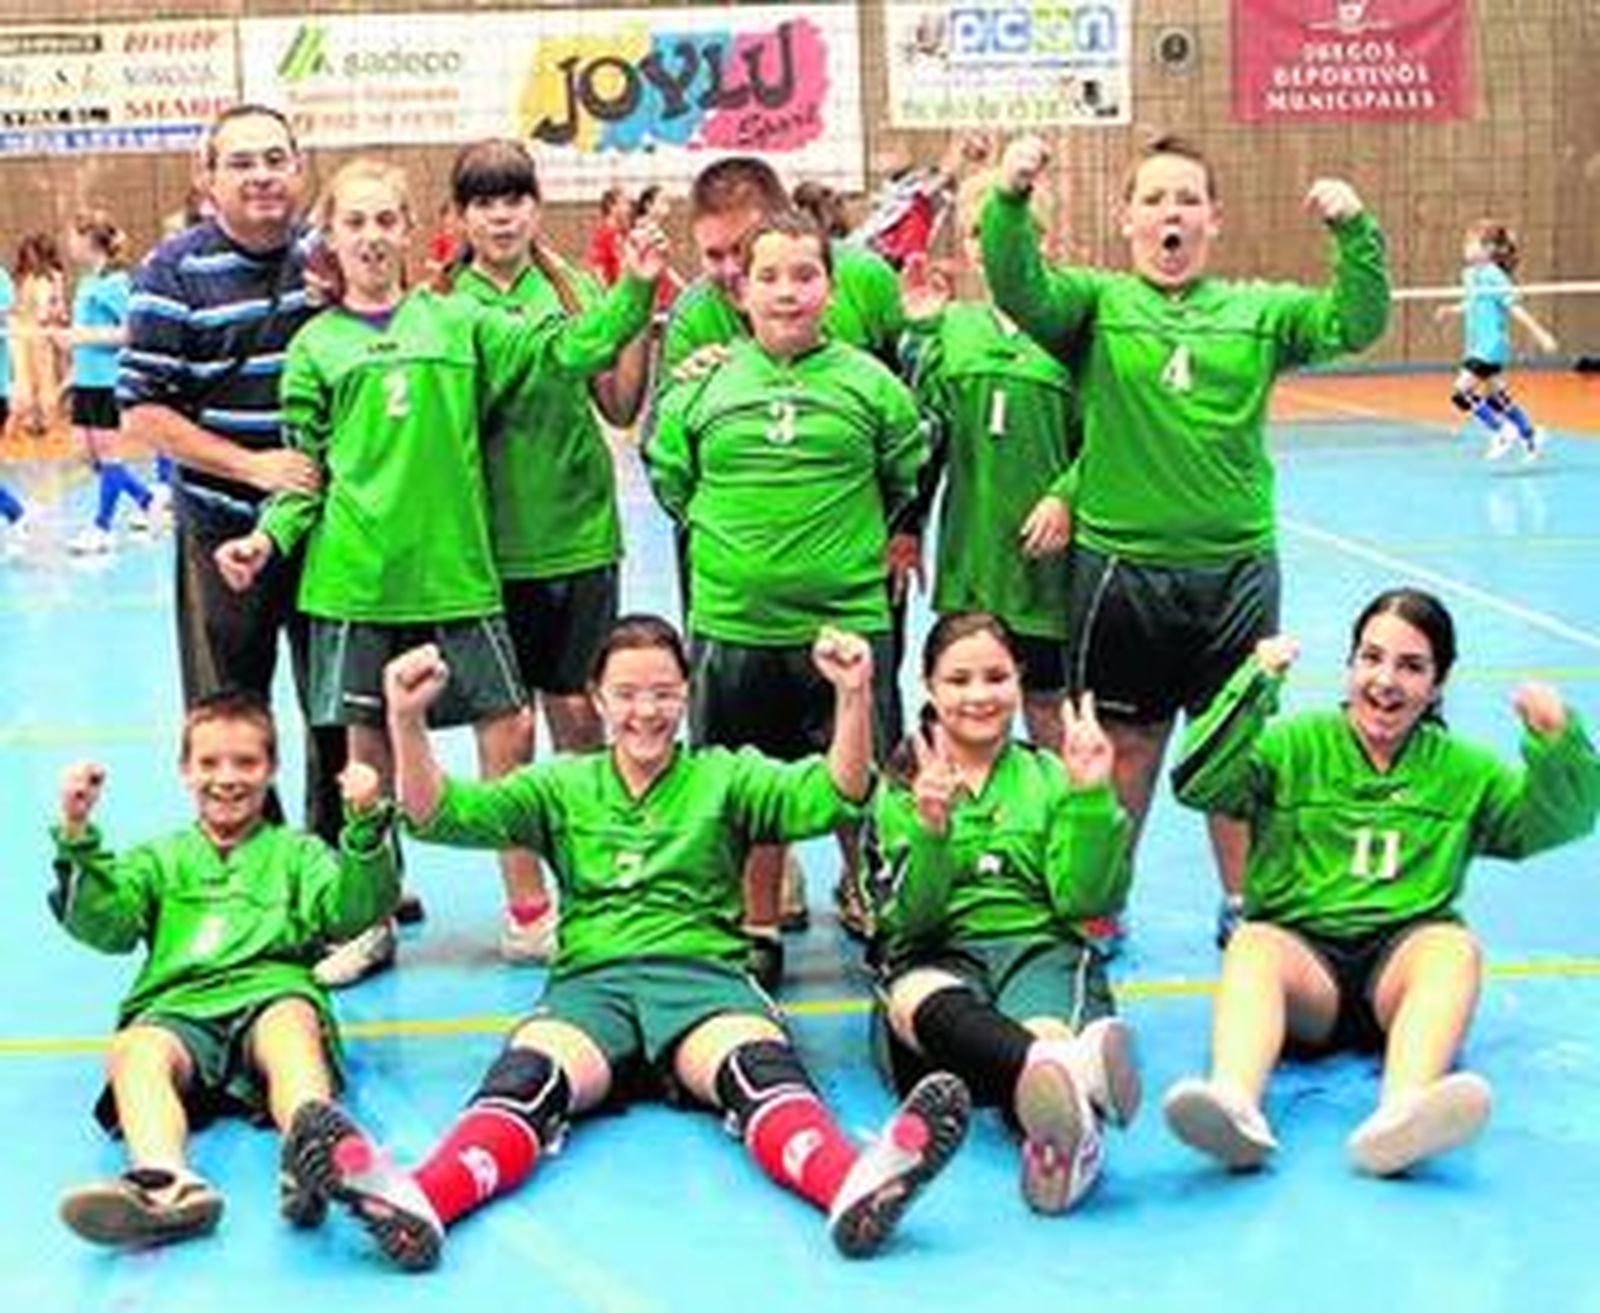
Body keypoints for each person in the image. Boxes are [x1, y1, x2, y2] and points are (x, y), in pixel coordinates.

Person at [281, 617, 971, 1271]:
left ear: (687, 696)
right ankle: (418, 1200)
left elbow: (836, 794)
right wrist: (406, 719)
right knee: (527, 1080)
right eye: (629, 694)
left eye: (664, 693)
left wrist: (853, 694)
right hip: (593, 985)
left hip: (702, 978)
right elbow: (440, 815)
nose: (647, 711)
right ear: (596, 699)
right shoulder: (563, 783)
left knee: (759, 1072)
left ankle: (856, 1183)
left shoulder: (724, 776)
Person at [215, 157, 662, 981]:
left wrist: (633, 291)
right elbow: (305, 473)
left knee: (510, 737)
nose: (372, 236)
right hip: (353, 585)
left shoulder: (458, 323)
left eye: (387, 220)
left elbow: (571, 350)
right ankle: (369, 915)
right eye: (355, 222)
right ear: (332, 236)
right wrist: (265, 540)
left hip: (459, 576)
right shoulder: (315, 346)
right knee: (366, 764)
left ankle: (530, 913)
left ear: (412, 230)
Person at [981, 131, 1391, 951]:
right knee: (1123, 748)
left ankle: (1246, 905)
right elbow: (1019, 284)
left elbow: (1355, 321)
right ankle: (1100, 894)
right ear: (1126, 217)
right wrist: (1010, 199)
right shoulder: (1095, 306)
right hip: (1122, 573)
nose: (1171, 213)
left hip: (1235, 571)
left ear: (1214, 219)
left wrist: (1354, 232)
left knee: (1234, 743)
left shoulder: (1259, 313)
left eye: (1187, 199)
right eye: (1155, 199)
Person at [1161, 588, 1600, 1176]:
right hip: (1305, 972)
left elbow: (1552, 822)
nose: (1385, 680)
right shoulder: (1295, 746)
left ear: (1438, 685)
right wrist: (1253, 686)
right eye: (1371, 658)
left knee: (1454, 949)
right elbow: (1198, 781)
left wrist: (1557, 743)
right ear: (1350, 666)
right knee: (1252, 942)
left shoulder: (1462, 770)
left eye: (1411, 666)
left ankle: (1404, 1113)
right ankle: (1234, 1106)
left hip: (1399, 974)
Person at [646, 213, 928, 982]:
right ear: (742, 290)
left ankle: (873, 900)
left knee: (861, 777)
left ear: (829, 289)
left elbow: (906, 470)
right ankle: (757, 924)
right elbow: (672, 476)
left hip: (847, 625)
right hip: (735, 623)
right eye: (769, 276)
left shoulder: (872, 385)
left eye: (804, 275)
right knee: (748, 782)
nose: (786, 291)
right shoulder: (703, 385)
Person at [49, 692, 400, 1248]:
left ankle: (309, 1147)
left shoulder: (297, 853)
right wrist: (76, 833)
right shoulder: (156, 858)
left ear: (272, 769)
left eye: (246, 763)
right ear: (184, 770)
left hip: (271, 991)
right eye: (209, 763)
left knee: (291, 1027)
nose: (227, 778)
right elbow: (106, 928)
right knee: (134, 1050)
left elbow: (352, 910)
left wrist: (362, 826)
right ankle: (166, 1183)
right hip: (178, 1007)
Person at [119, 104, 350, 881]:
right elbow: (144, 410)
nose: (261, 176)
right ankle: (259, 873)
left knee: (338, 710)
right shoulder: (171, 272)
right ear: (207, 177)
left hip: (330, 533)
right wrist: (254, 470)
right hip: (222, 531)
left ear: (299, 169)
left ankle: (332, 871)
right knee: (230, 709)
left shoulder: (332, 259)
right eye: (241, 162)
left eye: (275, 159)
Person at [444, 138, 653, 963]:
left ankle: (597, 891)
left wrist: (636, 304)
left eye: (516, 197)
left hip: (579, 538)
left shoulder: (575, 286)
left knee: (578, 720)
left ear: (537, 204)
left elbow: (621, 401)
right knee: (506, 732)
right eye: (484, 201)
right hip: (487, 551)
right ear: (460, 216)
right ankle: (527, 907)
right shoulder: (442, 302)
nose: (501, 215)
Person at [860, 613, 1138, 1215]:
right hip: (939, 961)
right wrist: (930, 832)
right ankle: (1074, 1072)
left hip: (1036, 950)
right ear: (929, 688)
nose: (979, 695)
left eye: (996, 677)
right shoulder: (902, 784)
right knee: (913, 997)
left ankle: (1062, 1138)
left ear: (1019, 682)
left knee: (1040, 1034)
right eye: (959, 680)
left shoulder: (1050, 775)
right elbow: (909, 925)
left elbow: (1087, 904)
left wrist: (1091, 797)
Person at [901, 205, 1078, 750]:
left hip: (1046, 566)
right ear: (970, 248)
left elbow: (1110, 436)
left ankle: (1055, 826)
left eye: (1016, 229)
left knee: (1049, 705)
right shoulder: (952, 326)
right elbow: (924, 437)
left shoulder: (1073, 329)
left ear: (1045, 243)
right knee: (961, 704)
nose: (992, 242)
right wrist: (907, 529)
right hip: (973, 558)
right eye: (978, 231)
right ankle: (955, 829)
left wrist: (1065, 495)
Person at [59, 210, 158, 556]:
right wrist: (69, 376)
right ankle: (147, 500)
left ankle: (101, 528)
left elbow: (133, 333)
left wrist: (84, 336)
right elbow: (81, 335)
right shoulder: (86, 282)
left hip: (107, 382)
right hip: (86, 381)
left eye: (73, 236)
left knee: (108, 455)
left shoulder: (115, 284)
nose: (68, 244)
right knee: (88, 456)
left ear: (90, 240)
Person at [1434, 219, 1559, 462]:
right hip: (1476, 345)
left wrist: (1540, 333)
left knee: (1461, 393)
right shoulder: (1469, 275)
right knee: (1496, 398)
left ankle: (1501, 430)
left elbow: (1515, 309)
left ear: (1488, 249)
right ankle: (1530, 434)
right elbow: (1472, 303)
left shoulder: (1495, 277)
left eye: (1471, 243)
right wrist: (1450, 310)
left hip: (1490, 346)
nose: (1465, 247)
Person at [11, 231, 68, 437]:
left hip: (41, 332)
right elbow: (16, 305)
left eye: (33, 254)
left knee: (46, 376)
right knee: (24, 377)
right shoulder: (24, 278)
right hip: (22, 332)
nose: (30, 259)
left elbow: (58, 306)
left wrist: (55, 317)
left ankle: (48, 419)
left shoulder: (53, 277)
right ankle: (30, 418)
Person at [582, 184, 630, 287]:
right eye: (625, 203)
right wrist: (608, 296)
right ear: (611, 206)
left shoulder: (623, 233)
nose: (628, 208)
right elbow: (597, 268)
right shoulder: (602, 234)